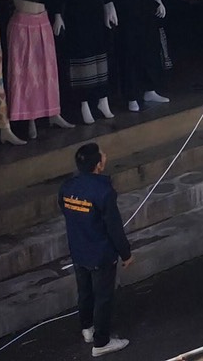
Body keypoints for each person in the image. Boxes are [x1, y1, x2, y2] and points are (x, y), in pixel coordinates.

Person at [59, 142, 133, 356]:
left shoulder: (67, 187)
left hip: (78, 250)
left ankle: (87, 328)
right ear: (98, 165)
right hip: (101, 254)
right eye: (103, 155)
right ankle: (101, 342)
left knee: (85, 292)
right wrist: (126, 254)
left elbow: (65, 209)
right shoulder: (104, 191)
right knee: (103, 297)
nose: (105, 156)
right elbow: (114, 227)